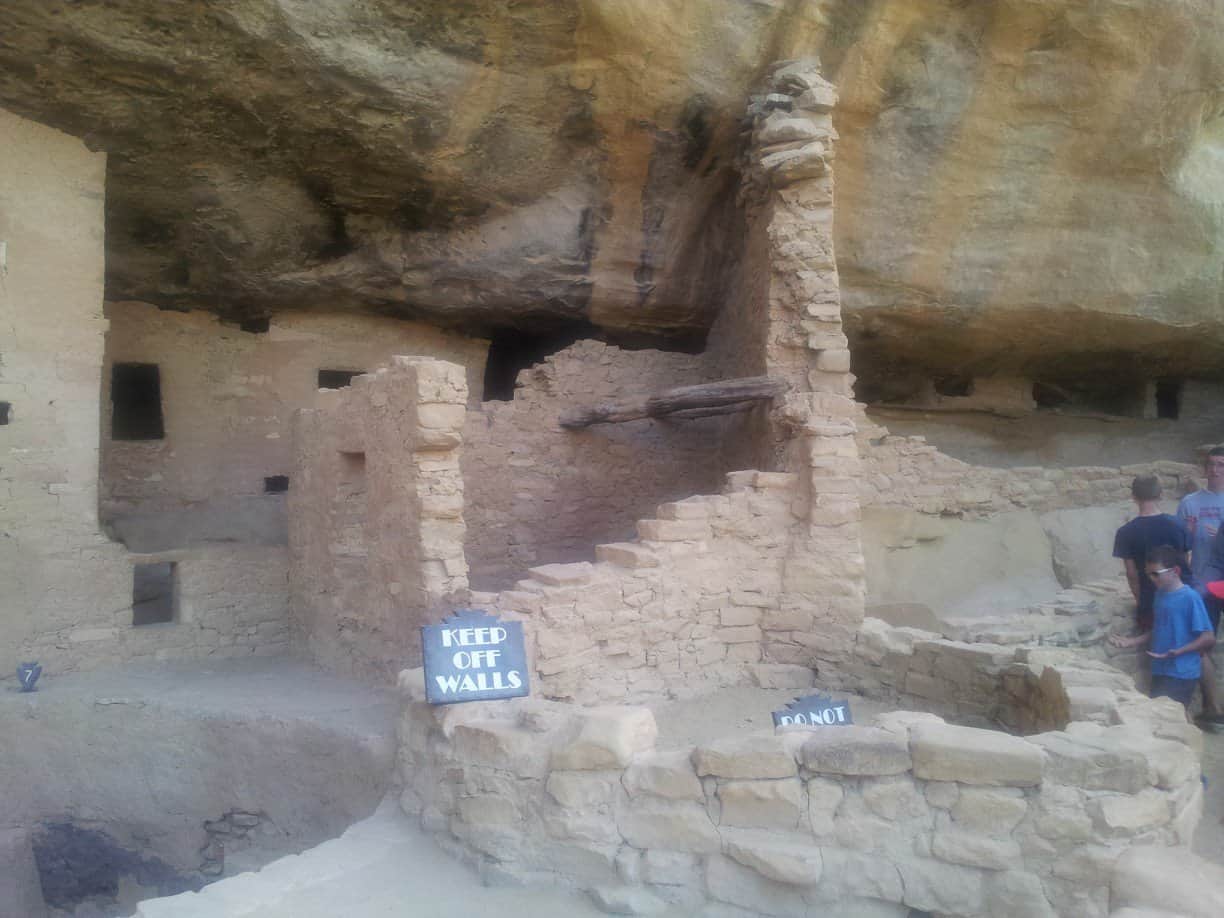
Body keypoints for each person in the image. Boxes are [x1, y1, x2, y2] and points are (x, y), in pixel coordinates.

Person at [1109, 545, 1216, 711]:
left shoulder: (1190, 598)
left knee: (1170, 715)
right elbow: (1160, 628)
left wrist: (1179, 651)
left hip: (1181, 671)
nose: (1151, 579)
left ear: (1175, 571)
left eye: (1156, 574)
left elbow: (1208, 637)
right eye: (1148, 574)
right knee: (1164, 715)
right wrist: (1132, 641)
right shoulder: (1160, 595)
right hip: (1161, 668)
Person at [1113, 475, 1189, 634]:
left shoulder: (1125, 532)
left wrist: (1142, 601)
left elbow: (1131, 574)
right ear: (1160, 495)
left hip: (1150, 597)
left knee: (1157, 646)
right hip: (1182, 596)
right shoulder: (1178, 525)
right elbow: (1185, 561)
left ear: (1133, 497)